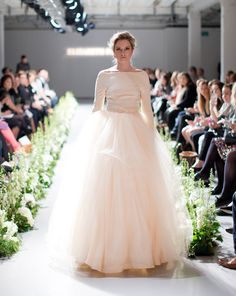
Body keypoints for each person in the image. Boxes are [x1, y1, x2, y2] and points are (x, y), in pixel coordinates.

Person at [47, 31, 192, 274]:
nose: (122, 53)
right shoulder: (104, 75)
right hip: (109, 131)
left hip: (135, 131)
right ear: (113, 51)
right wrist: (94, 138)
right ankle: (105, 250)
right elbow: (96, 108)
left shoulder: (141, 76)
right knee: (106, 189)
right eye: (118, 49)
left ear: (132, 51)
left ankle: (138, 250)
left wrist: (150, 138)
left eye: (126, 48)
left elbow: (146, 109)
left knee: (137, 189)